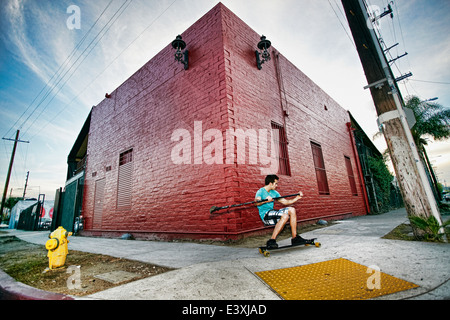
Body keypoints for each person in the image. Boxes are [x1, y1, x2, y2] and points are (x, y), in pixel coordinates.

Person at [255, 174, 307, 249]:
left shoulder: (274, 193)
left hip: (273, 212)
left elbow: (285, 202)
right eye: (275, 183)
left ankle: (295, 238)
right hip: (265, 215)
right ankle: (272, 240)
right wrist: (265, 201)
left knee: (292, 210)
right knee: (285, 215)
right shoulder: (261, 191)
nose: (276, 185)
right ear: (270, 183)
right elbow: (257, 201)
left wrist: (297, 198)